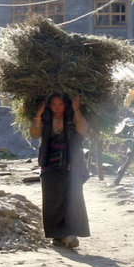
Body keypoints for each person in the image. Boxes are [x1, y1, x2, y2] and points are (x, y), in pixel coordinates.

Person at [30, 94, 90, 248]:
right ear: (49, 106)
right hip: (49, 164)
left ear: (66, 105)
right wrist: (38, 114)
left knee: (72, 198)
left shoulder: (72, 119)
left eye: (60, 104)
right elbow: (34, 134)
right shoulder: (46, 119)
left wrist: (77, 109)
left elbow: (83, 130)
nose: (57, 107)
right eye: (53, 104)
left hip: (71, 163)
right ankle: (57, 236)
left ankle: (71, 233)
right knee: (51, 200)